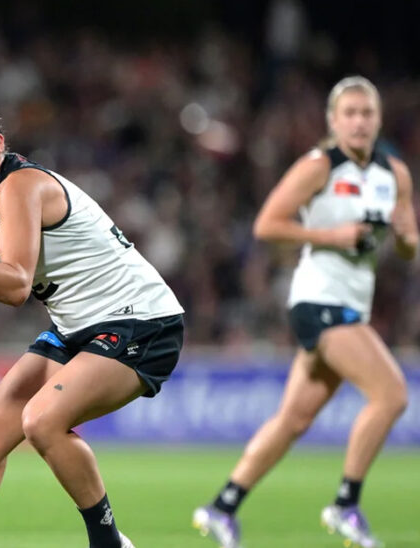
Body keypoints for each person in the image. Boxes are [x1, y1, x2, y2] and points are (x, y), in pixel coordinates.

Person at [0, 89, 185, 548]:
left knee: (41, 421)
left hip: (141, 321)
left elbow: (15, 286)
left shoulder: (20, 186)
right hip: (76, 328)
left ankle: (109, 543)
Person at [193, 76, 417, 548]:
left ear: (378, 119)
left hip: (351, 304)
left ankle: (221, 507)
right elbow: (267, 225)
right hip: (318, 299)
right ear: (333, 121)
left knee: (293, 420)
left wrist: (405, 236)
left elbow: (409, 246)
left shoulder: (395, 174)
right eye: (349, 113)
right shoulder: (318, 166)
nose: (359, 122)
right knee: (392, 394)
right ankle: (345, 504)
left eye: (367, 113)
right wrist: (331, 236)